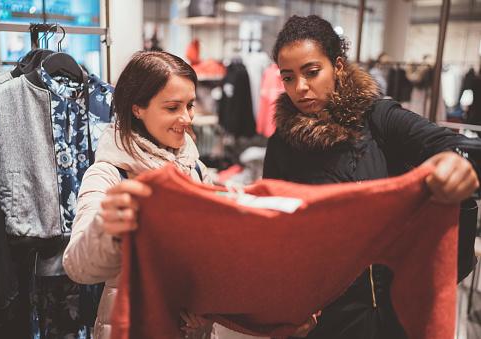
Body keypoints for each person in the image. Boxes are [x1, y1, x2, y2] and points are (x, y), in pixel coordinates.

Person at [263, 15, 480, 339]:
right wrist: (286, 305)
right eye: (289, 78)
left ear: (337, 67)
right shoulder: (282, 145)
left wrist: (457, 165)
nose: (301, 88)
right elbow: (275, 233)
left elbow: (461, 147)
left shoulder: (377, 118)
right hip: (319, 313)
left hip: (390, 307)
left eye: (311, 72)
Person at [62, 51, 211, 339]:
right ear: (137, 108)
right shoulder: (108, 174)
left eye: (190, 105)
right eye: (172, 108)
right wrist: (109, 227)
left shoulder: (196, 169)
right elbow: (77, 267)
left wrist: (205, 306)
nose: (186, 118)